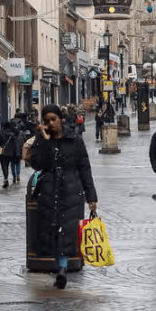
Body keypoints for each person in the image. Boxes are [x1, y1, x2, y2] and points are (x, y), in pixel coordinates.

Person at [24, 104, 98, 289]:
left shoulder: (75, 140)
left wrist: (91, 197)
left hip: (71, 190)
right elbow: (38, 164)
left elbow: (84, 168)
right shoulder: (42, 139)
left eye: (53, 119)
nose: (50, 123)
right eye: (47, 121)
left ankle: (62, 269)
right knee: (51, 231)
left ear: (60, 119)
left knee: (67, 231)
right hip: (49, 191)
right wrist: (44, 141)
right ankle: (58, 266)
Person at [0, 119, 22, 188]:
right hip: (11, 153)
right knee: (12, 165)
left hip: (3, 152)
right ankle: (15, 176)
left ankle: (6, 178)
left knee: (4, 166)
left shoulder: (0, 133)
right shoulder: (13, 133)